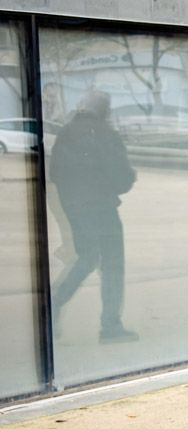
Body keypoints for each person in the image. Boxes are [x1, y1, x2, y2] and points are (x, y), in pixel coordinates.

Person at [49, 89, 138, 343]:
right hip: (102, 209)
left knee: (86, 258)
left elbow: (55, 173)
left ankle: (53, 304)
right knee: (112, 266)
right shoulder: (106, 134)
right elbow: (121, 178)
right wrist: (130, 176)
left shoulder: (65, 133)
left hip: (76, 208)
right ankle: (110, 326)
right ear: (103, 110)